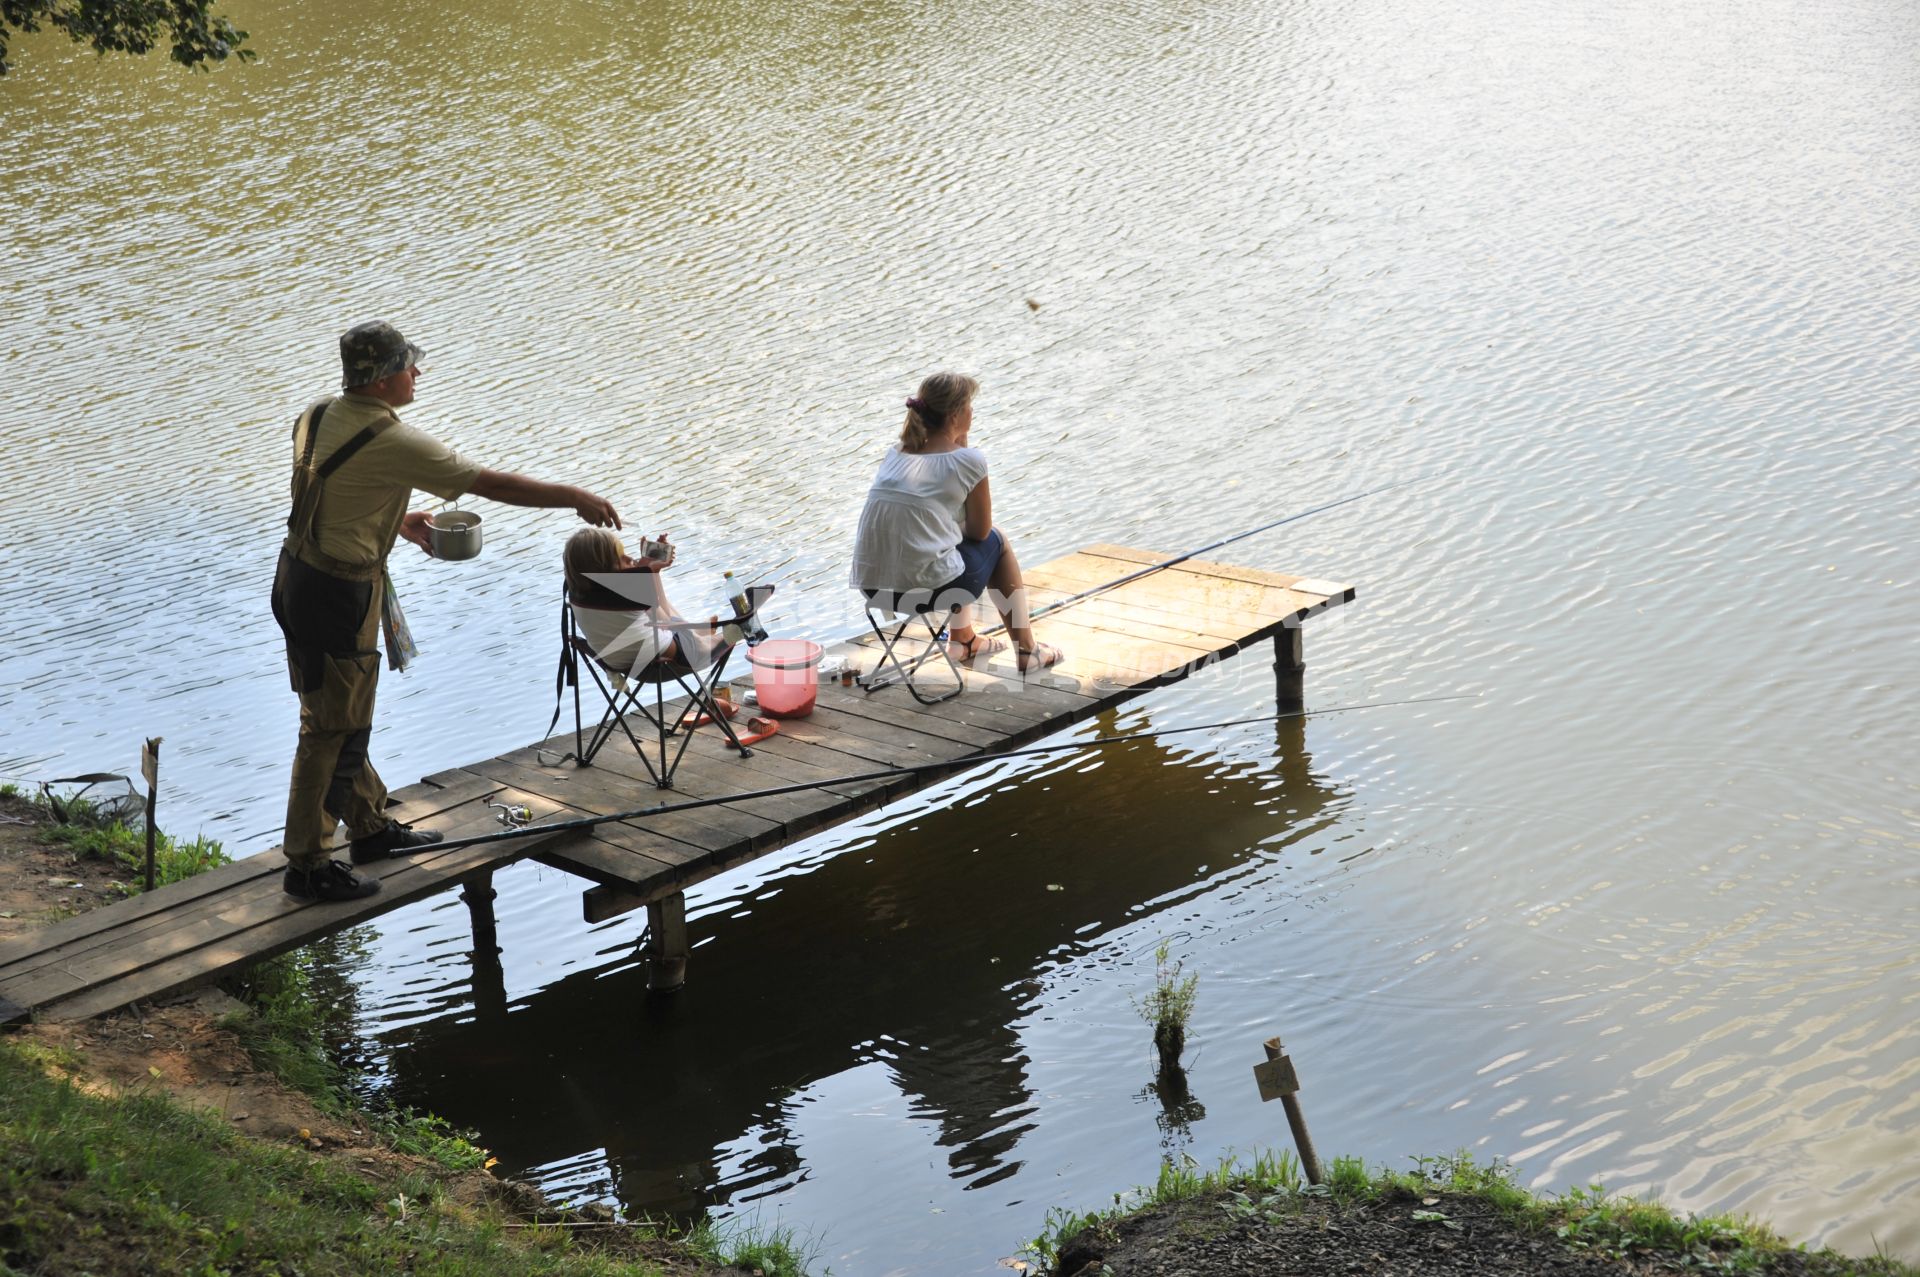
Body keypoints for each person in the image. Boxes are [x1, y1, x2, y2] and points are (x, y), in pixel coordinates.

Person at [272, 320, 622, 903]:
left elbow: (329, 491)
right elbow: (490, 484)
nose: (418, 373)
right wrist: (573, 497)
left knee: (343, 715)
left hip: (300, 578)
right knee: (330, 726)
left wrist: (394, 523)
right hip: (336, 595)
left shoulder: (316, 415)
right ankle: (306, 865)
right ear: (384, 380)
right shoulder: (397, 441)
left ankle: (370, 829)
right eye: (409, 365)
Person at [848, 372, 1063, 672]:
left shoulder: (895, 454)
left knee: (945, 543)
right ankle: (1028, 651)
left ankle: (963, 641)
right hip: (926, 592)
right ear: (955, 415)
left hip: (874, 591)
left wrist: (959, 441)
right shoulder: (968, 460)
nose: (972, 412)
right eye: (969, 406)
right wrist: (964, 446)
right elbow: (979, 530)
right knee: (996, 541)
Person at [561, 527, 726, 673]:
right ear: (601, 566)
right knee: (738, 628)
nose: (629, 558)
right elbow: (667, 623)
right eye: (619, 557)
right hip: (665, 660)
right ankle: (698, 636)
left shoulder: (579, 590)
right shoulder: (628, 588)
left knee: (659, 615)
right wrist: (646, 574)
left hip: (616, 661)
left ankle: (696, 632)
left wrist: (649, 572)